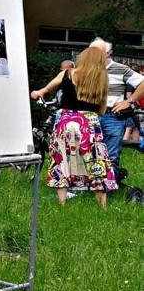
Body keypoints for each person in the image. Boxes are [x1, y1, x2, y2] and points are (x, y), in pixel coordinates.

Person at [30, 45, 117, 206]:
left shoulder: (67, 73)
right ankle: (102, 204)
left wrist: (38, 93)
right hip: (89, 122)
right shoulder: (102, 79)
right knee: (96, 159)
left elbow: (46, 89)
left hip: (65, 120)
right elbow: (102, 109)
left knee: (61, 158)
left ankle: (62, 203)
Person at [89, 38, 144, 178]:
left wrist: (129, 101)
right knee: (89, 152)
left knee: (111, 154)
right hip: (89, 115)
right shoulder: (87, 69)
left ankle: (109, 188)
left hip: (111, 116)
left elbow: (142, 82)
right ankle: (93, 186)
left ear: (108, 53)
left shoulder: (121, 69)